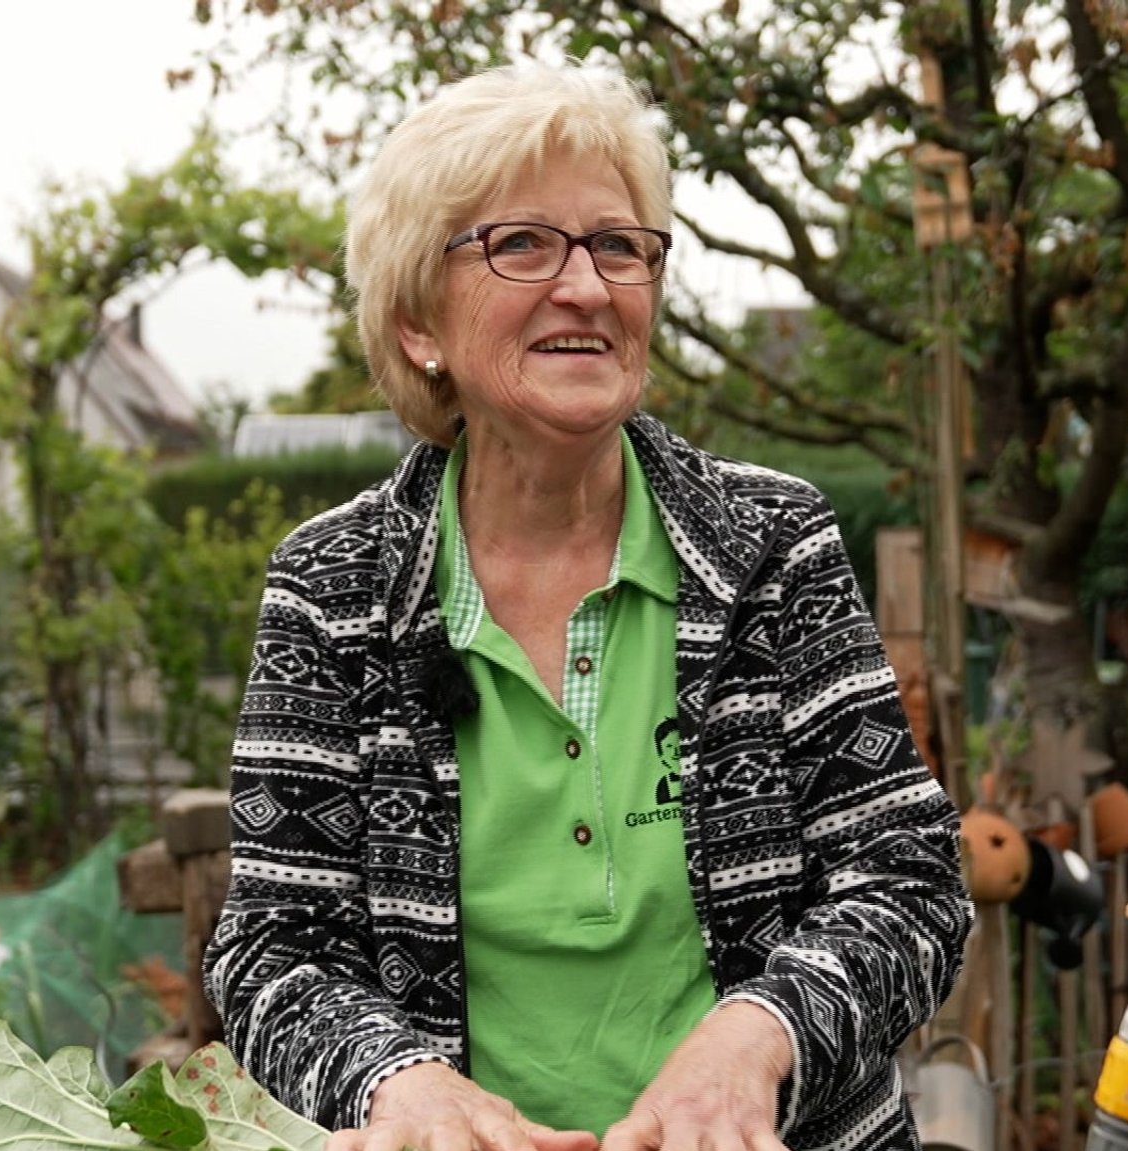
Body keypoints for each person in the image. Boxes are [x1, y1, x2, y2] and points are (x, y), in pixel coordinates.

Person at [204, 60, 971, 1151]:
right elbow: (271, 945)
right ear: (419, 318)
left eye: (618, 244)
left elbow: (912, 880)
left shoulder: (769, 547)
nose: (586, 286)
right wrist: (396, 1081)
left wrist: (762, 1030)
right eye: (521, 244)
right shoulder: (331, 590)